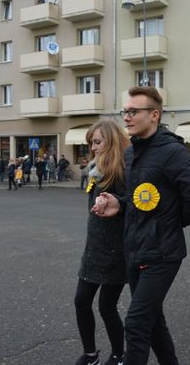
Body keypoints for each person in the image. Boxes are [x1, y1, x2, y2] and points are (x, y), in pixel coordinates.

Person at [92, 86, 190, 365]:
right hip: (134, 250)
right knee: (153, 321)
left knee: (136, 323)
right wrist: (118, 204)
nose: (127, 117)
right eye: (125, 111)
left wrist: (165, 224)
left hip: (162, 253)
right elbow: (138, 200)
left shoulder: (172, 152)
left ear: (154, 115)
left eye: (134, 111)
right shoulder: (131, 154)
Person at [74, 120, 130, 365]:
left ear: (112, 141)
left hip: (116, 250)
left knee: (107, 307)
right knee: (81, 302)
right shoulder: (96, 171)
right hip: (94, 248)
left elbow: (133, 205)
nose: (93, 148)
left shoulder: (122, 172)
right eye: (91, 143)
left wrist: (117, 203)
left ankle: (119, 355)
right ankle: (91, 355)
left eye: (97, 142)